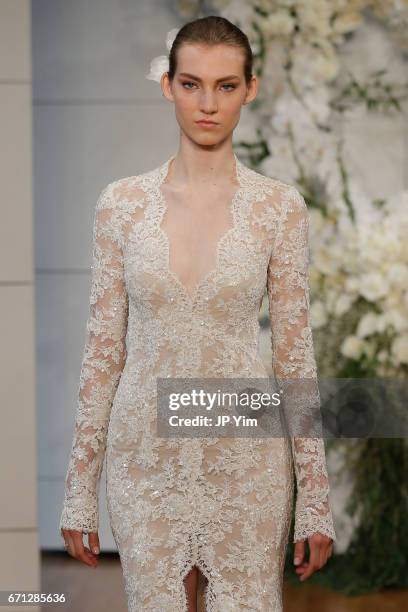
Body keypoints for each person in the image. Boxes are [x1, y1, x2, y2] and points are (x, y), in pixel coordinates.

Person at [59, 15, 336, 612]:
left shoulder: (277, 208)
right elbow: (104, 354)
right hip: (144, 456)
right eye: (191, 85)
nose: (207, 104)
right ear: (168, 86)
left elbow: (294, 357)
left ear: (250, 88)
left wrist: (315, 495)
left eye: (226, 86)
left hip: (245, 451)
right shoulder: (122, 206)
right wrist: (79, 490)